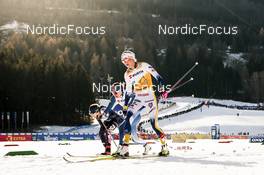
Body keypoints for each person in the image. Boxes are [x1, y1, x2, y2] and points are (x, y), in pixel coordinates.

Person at [119, 50, 169, 157]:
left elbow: (159, 78)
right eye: (123, 61)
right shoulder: (127, 74)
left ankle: (164, 146)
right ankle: (125, 147)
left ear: (132, 58)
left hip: (150, 98)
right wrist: (125, 105)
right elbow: (128, 92)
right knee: (127, 116)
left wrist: (163, 89)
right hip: (138, 98)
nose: (124, 62)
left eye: (126, 59)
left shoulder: (144, 65)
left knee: (153, 124)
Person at [88, 82, 126, 155]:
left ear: (96, 111)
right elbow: (103, 126)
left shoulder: (102, 110)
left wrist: (105, 117)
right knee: (101, 132)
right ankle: (107, 149)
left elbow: (111, 113)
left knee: (106, 131)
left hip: (117, 119)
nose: (92, 115)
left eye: (92, 113)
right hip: (111, 121)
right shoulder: (98, 117)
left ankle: (115, 149)